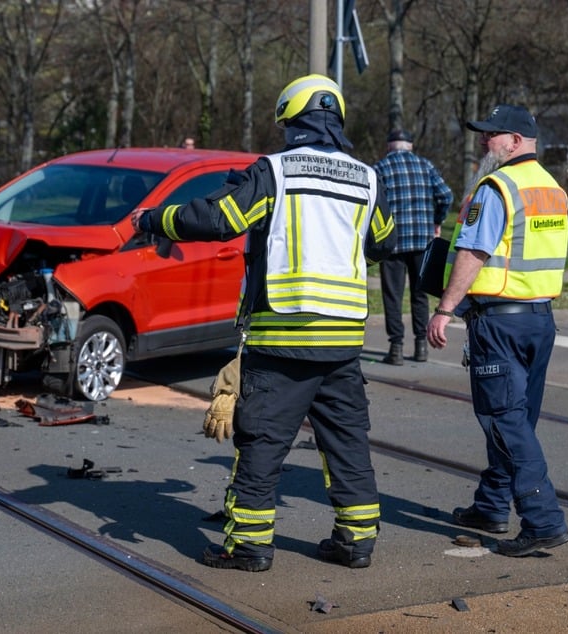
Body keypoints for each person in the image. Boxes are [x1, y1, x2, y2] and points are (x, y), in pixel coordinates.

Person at [133, 74, 396, 572]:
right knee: (347, 443)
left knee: (261, 443)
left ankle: (249, 546)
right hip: (343, 342)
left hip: (284, 339)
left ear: (290, 119)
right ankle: (356, 541)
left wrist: (155, 220)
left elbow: (218, 219)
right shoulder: (368, 176)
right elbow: (382, 239)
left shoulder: (274, 171)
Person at [426, 104, 568, 557]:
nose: (483, 143)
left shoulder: (498, 186)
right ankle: (491, 505)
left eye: (490, 135)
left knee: (504, 421)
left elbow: (474, 252)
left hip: (499, 323)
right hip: (539, 319)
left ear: (513, 140)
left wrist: (444, 308)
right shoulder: (552, 189)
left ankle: (542, 518)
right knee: (517, 419)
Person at [374, 129, 453, 365]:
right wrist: (437, 220)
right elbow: (446, 195)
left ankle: (396, 347)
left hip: (392, 241)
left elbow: (371, 201)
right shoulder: (425, 166)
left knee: (393, 295)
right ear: (410, 145)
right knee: (420, 294)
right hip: (422, 239)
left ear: (390, 146)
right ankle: (421, 346)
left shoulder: (380, 168)